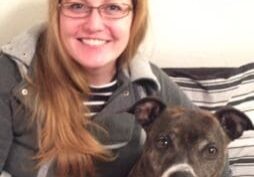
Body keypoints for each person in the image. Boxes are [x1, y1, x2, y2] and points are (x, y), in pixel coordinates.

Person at [0, 0, 231, 177]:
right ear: (57, 11)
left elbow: (216, 156)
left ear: (134, 17)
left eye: (113, 7)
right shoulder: (9, 74)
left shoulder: (149, 82)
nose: (94, 25)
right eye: (77, 5)